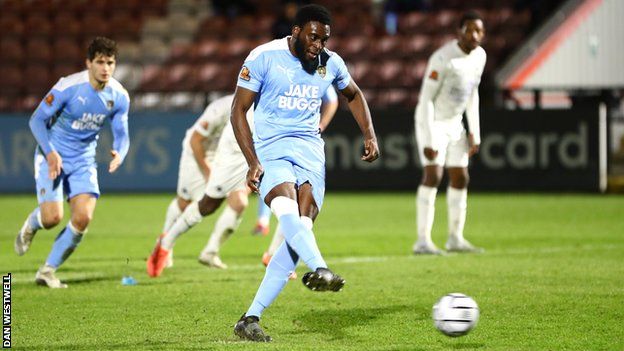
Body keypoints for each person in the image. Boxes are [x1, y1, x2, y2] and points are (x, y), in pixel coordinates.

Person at [230, 4, 379, 342]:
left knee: (301, 229)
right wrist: (252, 160)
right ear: (296, 31)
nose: (318, 45)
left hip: (311, 153)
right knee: (286, 214)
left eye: (324, 39)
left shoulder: (330, 63)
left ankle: (250, 317)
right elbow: (238, 111)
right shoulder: (263, 57)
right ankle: (321, 268)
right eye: (313, 37)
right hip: (272, 150)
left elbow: (353, 95)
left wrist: (369, 134)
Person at [14, 37, 130, 288]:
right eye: (100, 62)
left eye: (110, 62)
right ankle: (32, 224)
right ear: (88, 63)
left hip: (83, 160)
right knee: (52, 218)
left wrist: (120, 153)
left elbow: (123, 135)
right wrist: (51, 152)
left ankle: (47, 271)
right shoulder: (68, 87)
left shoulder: (119, 96)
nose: (105, 68)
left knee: (82, 218)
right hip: (51, 155)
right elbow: (36, 120)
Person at [147, 94, 254, 276]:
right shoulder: (222, 107)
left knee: (239, 202)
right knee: (186, 202)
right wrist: (207, 171)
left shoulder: (261, 108)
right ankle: (165, 244)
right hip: (201, 151)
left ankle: (210, 252)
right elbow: (195, 140)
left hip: (228, 156)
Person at [413, 11, 486, 255]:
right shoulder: (443, 58)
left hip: (456, 123)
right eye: (469, 30)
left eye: (478, 31)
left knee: (461, 177)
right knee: (433, 175)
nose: (474, 35)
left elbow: (472, 94)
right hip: (432, 121)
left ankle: (455, 237)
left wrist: (474, 131)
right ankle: (422, 241)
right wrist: (430, 137)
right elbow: (425, 100)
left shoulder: (480, 57)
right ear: (459, 32)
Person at [260, 86, 338, 265]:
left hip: (304, 147)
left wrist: (322, 124)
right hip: (277, 144)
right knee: (290, 202)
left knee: (297, 205)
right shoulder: (277, 68)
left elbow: (332, 100)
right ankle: (306, 263)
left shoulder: (316, 71)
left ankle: (274, 255)